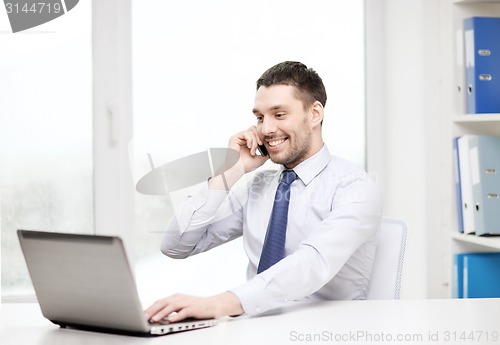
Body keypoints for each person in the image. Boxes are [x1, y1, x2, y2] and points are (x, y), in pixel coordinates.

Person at [144, 61, 382, 323]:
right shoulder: (258, 188)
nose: (266, 129)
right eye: (260, 117)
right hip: (257, 327)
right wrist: (230, 172)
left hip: (327, 332)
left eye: (279, 115)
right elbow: (176, 245)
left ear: (315, 114)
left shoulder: (354, 187)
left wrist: (220, 303)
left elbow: (311, 263)